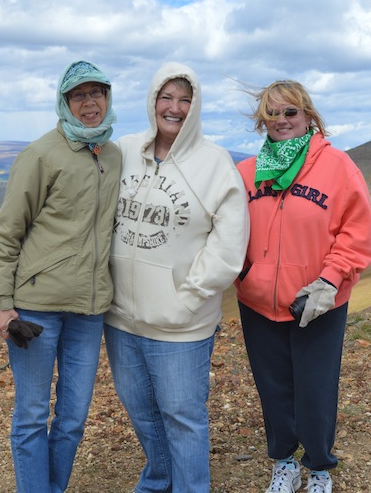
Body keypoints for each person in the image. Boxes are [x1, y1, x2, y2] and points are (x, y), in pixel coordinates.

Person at [104, 62, 249, 492]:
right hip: (120, 318)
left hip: (181, 324)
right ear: (152, 101)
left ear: (196, 106)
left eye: (185, 99)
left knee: (183, 418)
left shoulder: (215, 164)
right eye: (166, 97)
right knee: (140, 410)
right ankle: (159, 479)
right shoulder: (125, 150)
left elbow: (227, 248)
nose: (175, 108)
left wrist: (186, 299)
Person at [0, 60, 122, 493]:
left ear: (108, 98)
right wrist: (1, 304)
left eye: (97, 93)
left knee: (73, 417)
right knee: (30, 415)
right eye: (79, 95)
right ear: (64, 102)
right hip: (37, 306)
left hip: (90, 307)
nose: (90, 103)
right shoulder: (42, 154)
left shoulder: (113, 155)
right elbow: (8, 230)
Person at [234, 80, 371, 493]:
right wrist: (245, 274)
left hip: (318, 301)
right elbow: (227, 232)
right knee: (273, 386)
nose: (281, 121)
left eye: (290, 112)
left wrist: (328, 281)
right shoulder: (246, 172)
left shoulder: (339, 167)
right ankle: (283, 462)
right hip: (258, 301)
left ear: (308, 116)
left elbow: (356, 233)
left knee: (315, 389)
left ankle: (318, 467)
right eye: (272, 114)